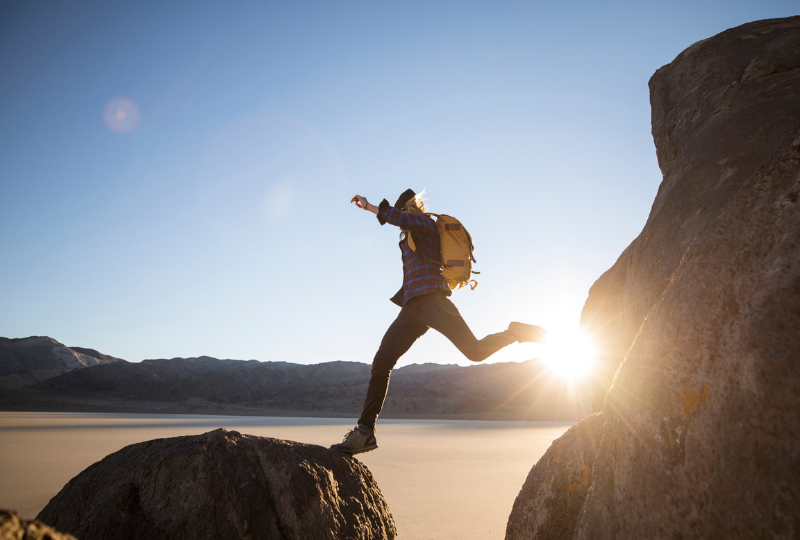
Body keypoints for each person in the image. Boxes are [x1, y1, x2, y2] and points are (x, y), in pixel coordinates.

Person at [330, 189, 547, 455]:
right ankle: (364, 433)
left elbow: (403, 220)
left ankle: (514, 332)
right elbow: (404, 231)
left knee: (475, 352)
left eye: (403, 210)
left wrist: (370, 207)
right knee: (382, 362)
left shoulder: (423, 223)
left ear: (411, 208)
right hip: (411, 309)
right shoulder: (407, 239)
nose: (401, 217)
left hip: (434, 301)